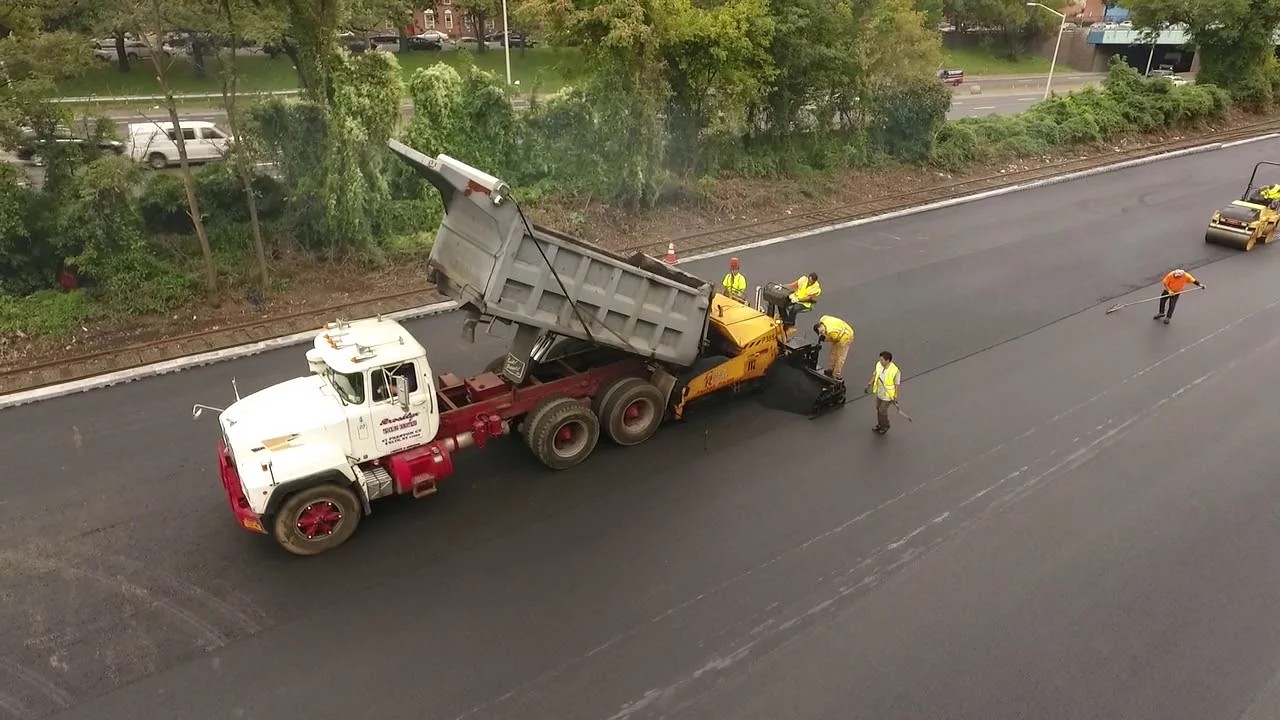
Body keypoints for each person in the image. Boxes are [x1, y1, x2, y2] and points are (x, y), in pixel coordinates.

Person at [866, 351, 901, 435]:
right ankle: (880, 424)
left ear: (887, 360)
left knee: (882, 410)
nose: (880, 361)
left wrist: (895, 396)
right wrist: (870, 382)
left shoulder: (895, 371)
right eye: (880, 359)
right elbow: (876, 374)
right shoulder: (879, 365)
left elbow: (897, 385)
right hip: (880, 392)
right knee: (878, 408)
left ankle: (885, 425)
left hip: (888, 395)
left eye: (882, 360)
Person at [814, 315, 854, 381]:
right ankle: (830, 369)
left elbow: (834, 339)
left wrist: (825, 339)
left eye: (822, 332)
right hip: (840, 331)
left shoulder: (831, 331)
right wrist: (823, 335)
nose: (822, 333)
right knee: (832, 352)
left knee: (840, 357)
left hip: (845, 336)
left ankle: (836, 374)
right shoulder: (823, 319)